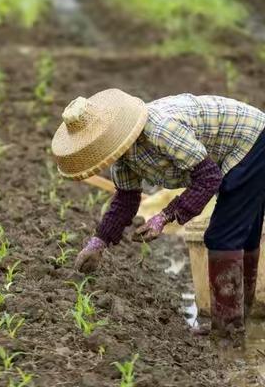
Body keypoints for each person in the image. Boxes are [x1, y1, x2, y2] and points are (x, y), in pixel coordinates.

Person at [51, 89, 265, 336]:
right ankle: (241, 318)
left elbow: (207, 178)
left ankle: (228, 329)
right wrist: (98, 242)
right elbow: (126, 200)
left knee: (222, 236)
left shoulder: (161, 130)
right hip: (234, 151)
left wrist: (164, 217)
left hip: (252, 140)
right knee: (243, 229)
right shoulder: (123, 158)